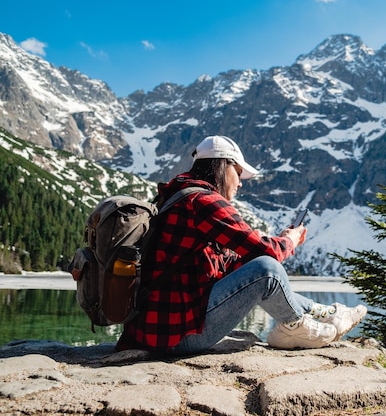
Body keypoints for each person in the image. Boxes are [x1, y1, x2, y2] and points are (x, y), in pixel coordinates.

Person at [116, 135, 367, 355]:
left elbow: (223, 264)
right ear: (223, 167)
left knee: (257, 269)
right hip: (176, 337)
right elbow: (268, 255)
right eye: (239, 173)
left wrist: (257, 253)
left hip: (152, 332)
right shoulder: (204, 201)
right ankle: (296, 328)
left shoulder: (176, 196)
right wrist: (289, 241)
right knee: (267, 269)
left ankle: (323, 313)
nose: (240, 183)